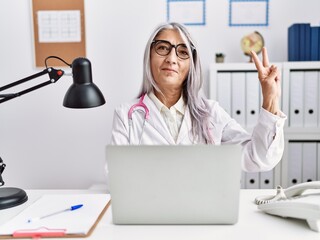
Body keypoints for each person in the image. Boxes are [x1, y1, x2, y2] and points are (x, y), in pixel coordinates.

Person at [110, 22, 287, 172]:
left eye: (183, 52)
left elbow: (257, 158)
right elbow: (116, 177)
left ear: (192, 65)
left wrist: (270, 99)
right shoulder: (127, 115)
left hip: (202, 212)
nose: (172, 59)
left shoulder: (211, 114)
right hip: (148, 211)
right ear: (149, 56)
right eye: (162, 48)